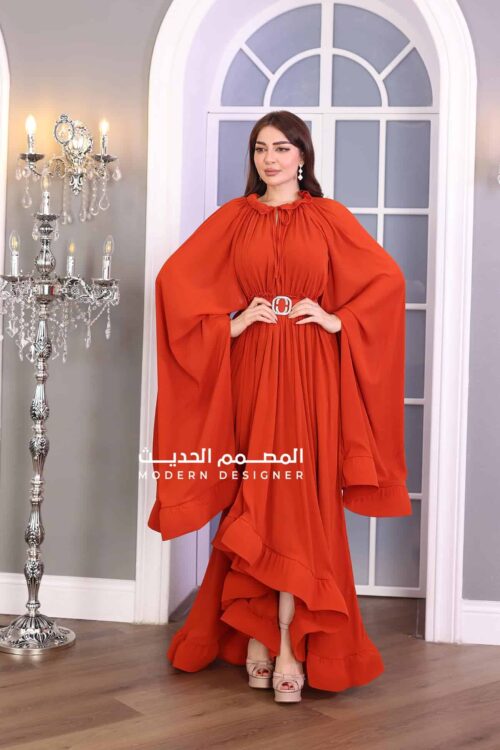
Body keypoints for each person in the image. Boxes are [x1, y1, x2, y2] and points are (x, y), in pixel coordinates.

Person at [147, 110, 411, 703]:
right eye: (261, 148)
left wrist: (338, 319)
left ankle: (288, 642)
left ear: (302, 156)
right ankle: (257, 638)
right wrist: (232, 325)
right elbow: (174, 285)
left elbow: (386, 282)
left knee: (299, 501)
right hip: (253, 370)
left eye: (282, 148)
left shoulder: (328, 217)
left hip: (312, 373)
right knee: (257, 494)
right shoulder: (234, 218)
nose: (270, 158)